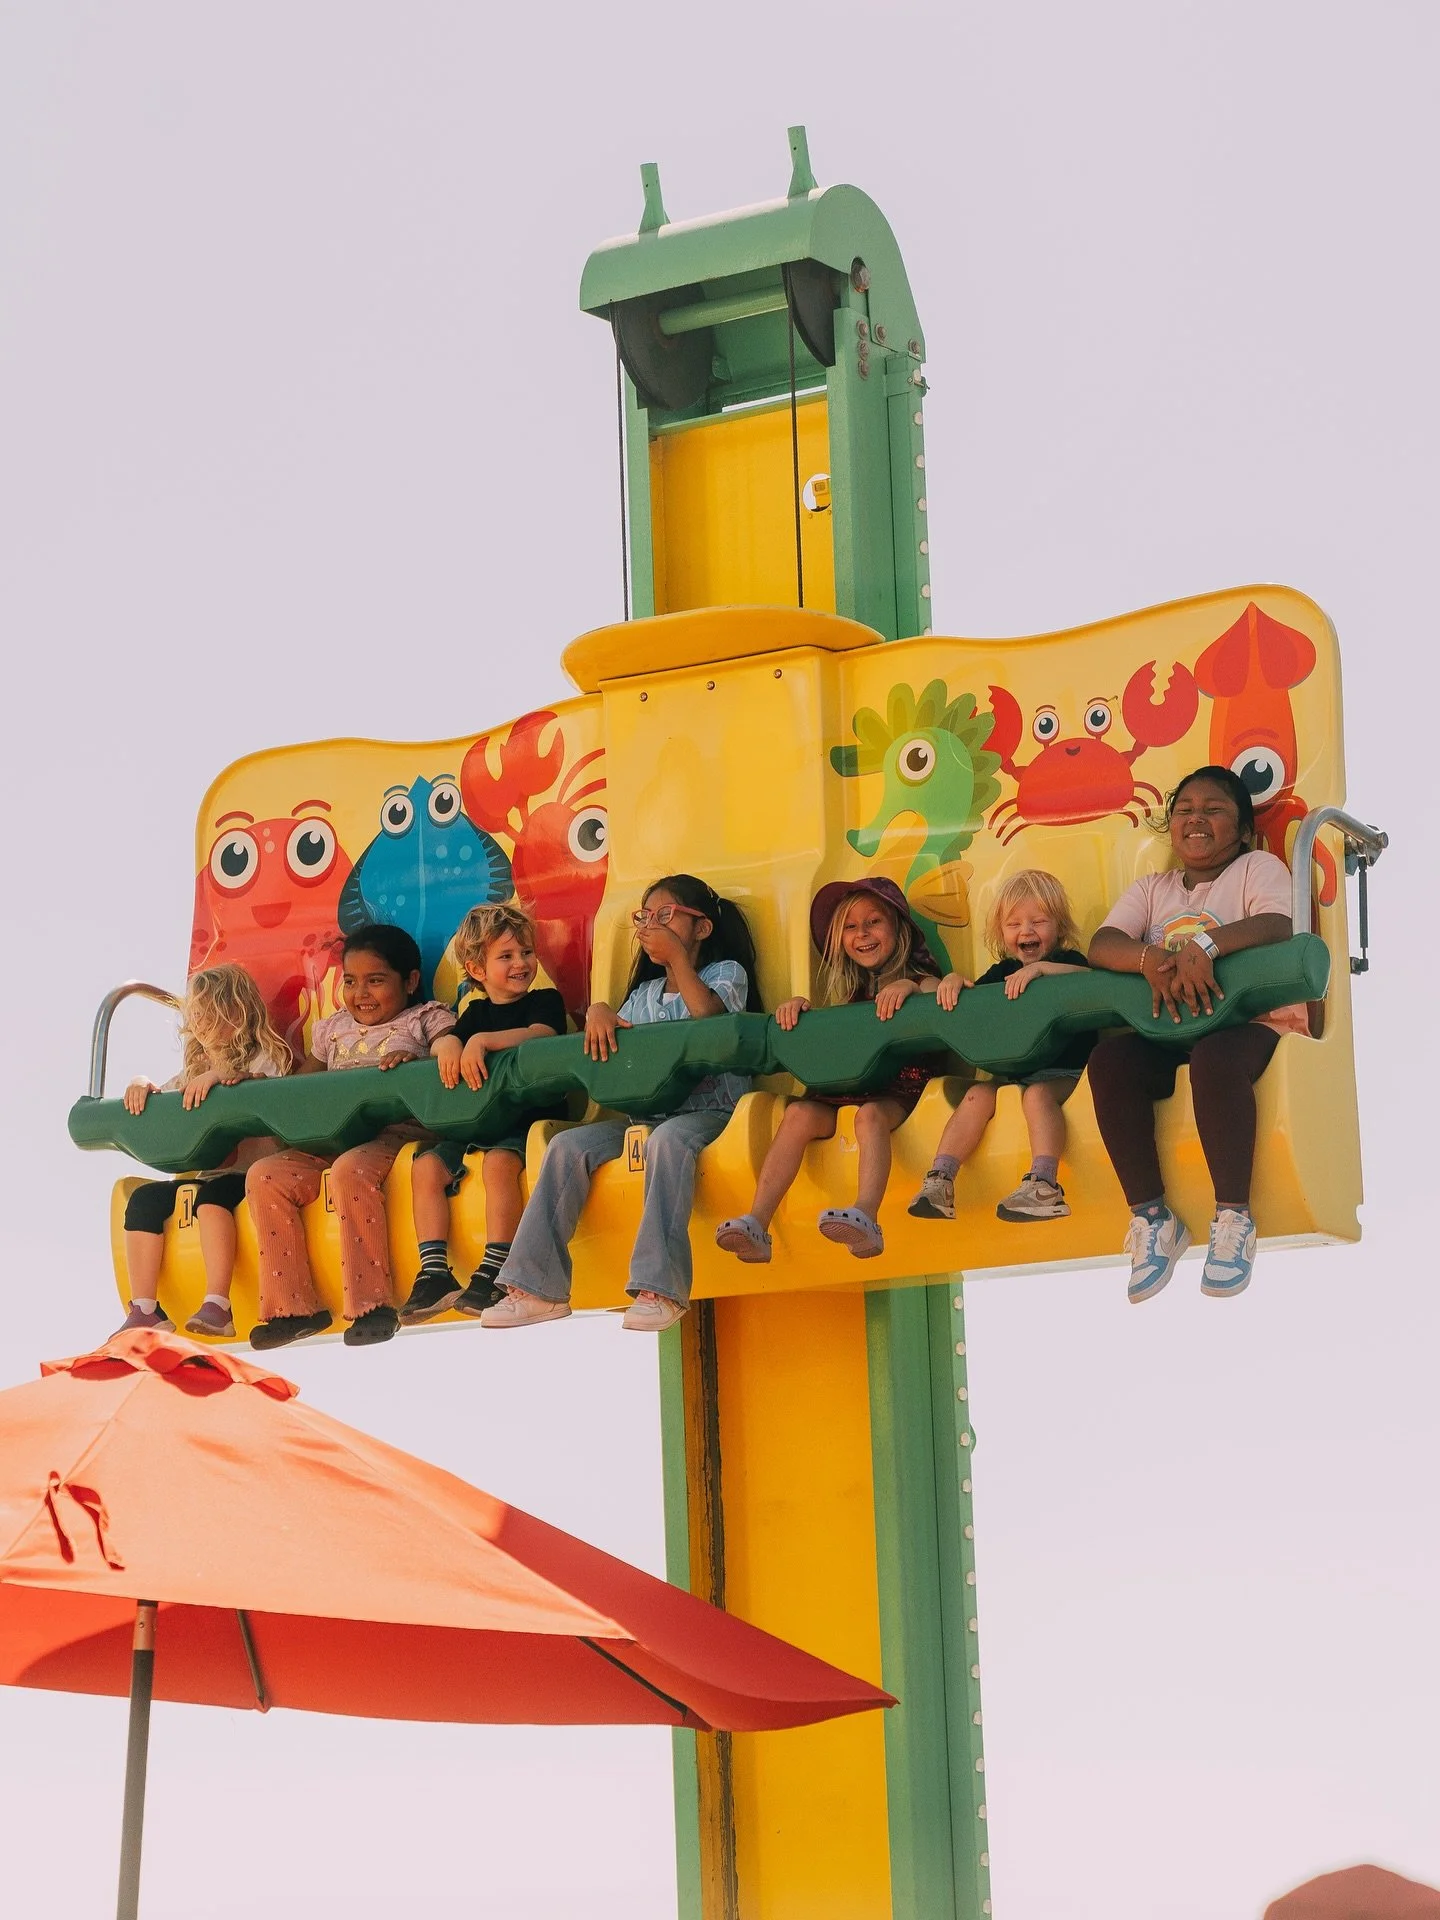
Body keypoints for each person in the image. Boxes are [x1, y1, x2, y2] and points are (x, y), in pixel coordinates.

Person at [480, 874, 760, 1332]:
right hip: (646, 1115)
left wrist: (676, 960)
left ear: (702, 928)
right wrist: (598, 1012)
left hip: (714, 1114)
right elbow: (618, 1029)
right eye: (645, 918)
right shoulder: (644, 995)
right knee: (567, 1147)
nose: (652, 926)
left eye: (665, 916)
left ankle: (660, 1288)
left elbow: (709, 1016)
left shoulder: (725, 974)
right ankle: (536, 1286)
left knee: (667, 1141)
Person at [1087, 764, 1302, 1303]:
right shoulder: (1154, 888)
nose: (1196, 819)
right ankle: (1153, 1219)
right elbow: (1102, 944)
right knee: (1112, 1061)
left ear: (1243, 830)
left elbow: (1277, 923)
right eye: (1184, 810)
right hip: (1173, 1026)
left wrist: (1204, 947)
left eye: (1213, 809)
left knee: (1216, 1059)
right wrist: (1150, 957)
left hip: (1247, 1021)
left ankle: (1233, 1218)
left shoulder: (1256, 867)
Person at [715, 876, 944, 1264]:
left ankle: (867, 1216)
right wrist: (799, 1012)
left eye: (874, 922)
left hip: (896, 1091)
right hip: (848, 1087)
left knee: (869, 1117)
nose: (863, 934)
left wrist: (909, 988)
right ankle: (758, 1221)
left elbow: (940, 994)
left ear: (898, 928)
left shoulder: (920, 981)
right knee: (798, 1113)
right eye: (851, 927)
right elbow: (838, 1039)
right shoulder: (849, 997)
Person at [247, 924, 456, 1350]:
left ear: (410, 981)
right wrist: (260, 1085)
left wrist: (415, 1060)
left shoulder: (425, 1018)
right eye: (351, 981)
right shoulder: (332, 1029)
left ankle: (372, 1305)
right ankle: (295, 1308)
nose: (361, 993)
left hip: (395, 1134)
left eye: (376, 981)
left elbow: (448, 1052)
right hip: (334, 1134)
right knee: (265, 1175)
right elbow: (305, 1082)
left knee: (350, 1171)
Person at [400, 903, 567, 1324]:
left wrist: (483, 1043)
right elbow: (446, 1042)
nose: (521, 963)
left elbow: (539, 1036)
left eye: (526, 953)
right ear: (477, 969)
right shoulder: (473, 1013)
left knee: (497, 1164)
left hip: (527, 1122)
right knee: (426, 1167)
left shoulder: (544, 1001)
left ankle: (497, 1265)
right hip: (479, 1121)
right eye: (506, 956)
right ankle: (435, 1270)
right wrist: (452, 1045)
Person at [115, 964, 291, 1338]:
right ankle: (145, 1308)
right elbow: (165, 1095)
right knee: (145, 1200)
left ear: (238, 1012)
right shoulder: (193, 1070)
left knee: (211, 1199)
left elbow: (269, 1088)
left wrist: (223, 1080)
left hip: (253, 1177)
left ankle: (218, 1302)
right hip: (209, 1175)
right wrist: (141, 1083)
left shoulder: (266, 1057)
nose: (202, 1025)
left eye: (212, 1014)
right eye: (197, 1017)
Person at [909, 868, 1092, 1224]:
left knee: (1037, 1095)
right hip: (1012, 1075)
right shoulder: (1001, 972)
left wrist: (1042, 971)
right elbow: (972, 1000)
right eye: (1014, 924)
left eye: (1038, 921)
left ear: (1059, 927)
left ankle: (1044, 1184)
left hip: (1065, 1074)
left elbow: (1089, 980)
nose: (1026, 931)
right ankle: (941, 1178)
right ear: (1001, 933)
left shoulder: (1069, 963)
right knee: (976, 1094)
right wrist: (949, 981)